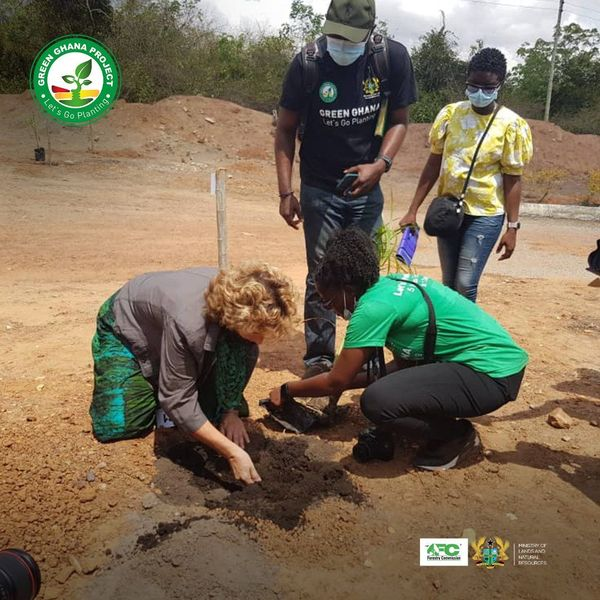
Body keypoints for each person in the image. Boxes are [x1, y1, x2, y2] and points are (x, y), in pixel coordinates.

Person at [269, 228, 528, 471]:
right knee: (389, 388)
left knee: (376, 402)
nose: (333, 311)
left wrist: (286, 389)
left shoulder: (372, 309)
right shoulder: (389, 286)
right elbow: (397, 367)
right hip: (492, 365)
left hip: (490, 374)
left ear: (347, 290)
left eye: (330, 302)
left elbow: (336, 380)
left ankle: (455, 437)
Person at [275, 0, 417, 377]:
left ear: (370, 31)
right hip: (319, 188)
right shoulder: (307, 63)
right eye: (335, 35)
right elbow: (285, 128)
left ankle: (366, 355)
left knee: (366, 274)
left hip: (366, 188)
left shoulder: (391, 59)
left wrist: (380, 165)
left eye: (351, 39)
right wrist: (285, 191)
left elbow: (400, 121)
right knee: (320, 272)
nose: (341, 43)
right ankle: (319, 358)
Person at [89, 264, 297, 485]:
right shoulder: (188, 323)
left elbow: (244, 355)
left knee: (213, 411)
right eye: (257, 332)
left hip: (178, 327)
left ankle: (171, 380)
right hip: (127, 327)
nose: (262, 340)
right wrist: (232, 453)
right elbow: (178, 401)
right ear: (237, 318)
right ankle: (155, 383)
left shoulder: (239, 320)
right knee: (119, 424)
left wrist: (231, 411)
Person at [400, 47, 533, 302]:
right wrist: (412, 209)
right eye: (473, 85)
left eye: (488, 87)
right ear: (467, 81)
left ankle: (465, 338)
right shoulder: (451, 115)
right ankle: (448, 336)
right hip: (449, 210)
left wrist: (512, 227)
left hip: (485, 215)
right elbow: (433, 164)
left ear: (499, 85)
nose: (479, 93)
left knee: (465, 283)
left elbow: (513, 178)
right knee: (449, 282)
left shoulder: (511, 125)